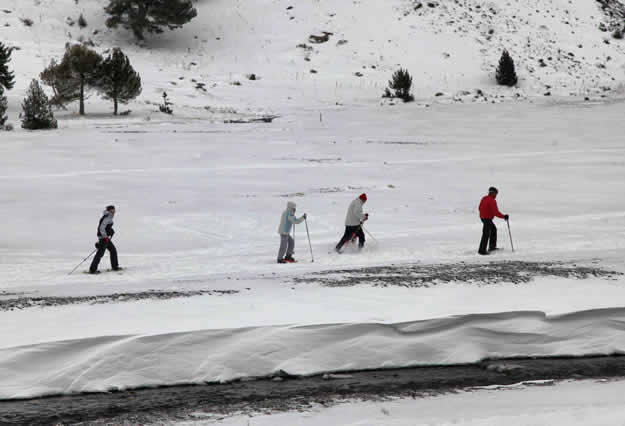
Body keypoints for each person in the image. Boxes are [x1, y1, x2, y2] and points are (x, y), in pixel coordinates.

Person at [89, 205, 121, 274]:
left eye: (114, 210)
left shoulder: (109, 217)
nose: (114, 212)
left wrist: (111, 230)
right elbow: (101, 228)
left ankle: (115, 266)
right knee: (100, 254)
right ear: (109, 211)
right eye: (112, 210)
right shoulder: (107, 217)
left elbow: (106, 227)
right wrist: (105, 236)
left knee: (113, 250)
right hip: (104, 238)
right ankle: (92, 269)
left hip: (105, 238)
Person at [478, 187, 509, 255]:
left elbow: (479, 207)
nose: (496, 195)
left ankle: (492, 247)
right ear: (493, 193)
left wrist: (483, 214)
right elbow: (496, 213)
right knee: (486, 234)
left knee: (493, 229)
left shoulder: (484, 198)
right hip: (487, 218)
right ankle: (482, 250)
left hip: (483, 218)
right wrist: (503, 216)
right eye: (496, 193)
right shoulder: (492, 200)